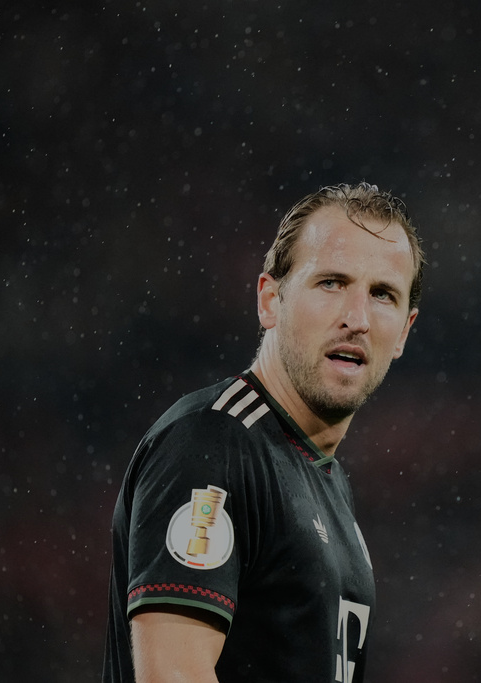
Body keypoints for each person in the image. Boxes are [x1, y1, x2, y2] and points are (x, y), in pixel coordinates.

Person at [103, 182, 424, 682]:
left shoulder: (325, 479)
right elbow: (173, 674)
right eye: (331, 283)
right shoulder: (211, 445)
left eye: (383, 294)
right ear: (270, 299)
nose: (357, 318)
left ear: (404, 330)